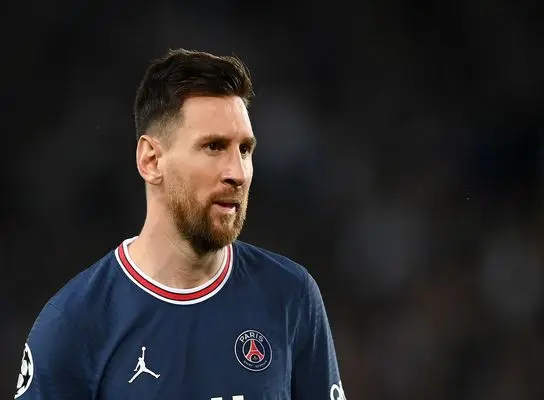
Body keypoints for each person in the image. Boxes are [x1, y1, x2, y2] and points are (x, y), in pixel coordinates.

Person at [14, 48, 346, 400]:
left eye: (245, 149)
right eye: (214, 146)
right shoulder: (73, 325)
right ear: (151, 160)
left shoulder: (291, 296)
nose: (237, 173)